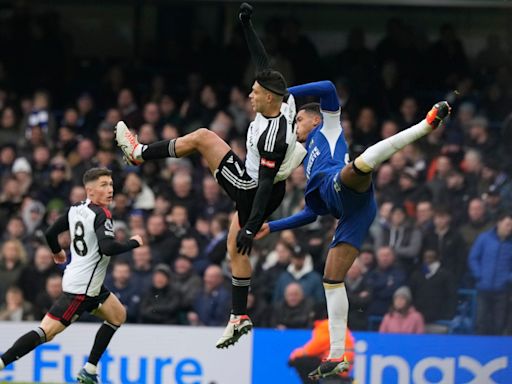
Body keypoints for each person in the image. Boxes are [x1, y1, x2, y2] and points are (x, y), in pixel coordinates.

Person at [115, 2, 306, 348]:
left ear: (269, 98)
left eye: (255, 93)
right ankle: (238, 316)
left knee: (203, 138)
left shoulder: (272, 137)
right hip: (263, 184)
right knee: (236, 251)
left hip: (252, 188)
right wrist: (247, 25)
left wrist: (251, 224)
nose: (250, 95)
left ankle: (139, 153)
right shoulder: (285, 99)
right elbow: (264, 62)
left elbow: (262, 185)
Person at [257, 79, 450, 378]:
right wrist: (272, 226)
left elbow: (329, 88)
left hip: (344, 187)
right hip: (352, 214)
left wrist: (285, 93)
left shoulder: (329, 127)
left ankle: (425, 126)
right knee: (331, 278)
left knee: (359, 166)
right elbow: (311, 213)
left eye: (299, 119)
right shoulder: (308, 159)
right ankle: (337, 356)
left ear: (316, 118)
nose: (296, 126)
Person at [0, 168, 143, 384]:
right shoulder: (102, 214)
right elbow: (108, 247)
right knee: (46, 333)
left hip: (88, 284)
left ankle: (90, 369)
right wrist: (134, 242)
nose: (110, 189)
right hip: (81, 290)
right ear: (90, 190)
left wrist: (57, 251)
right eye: (104, 185)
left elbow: (50, 233)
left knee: (117, 316)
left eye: (111, 184)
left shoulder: (75, 209)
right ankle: (2, 362)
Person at [468, 212, 512, 335]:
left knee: (499, 323)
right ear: (499, 223)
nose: (510, 228)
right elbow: (473, 257)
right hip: (483, 288)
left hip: (502, 290)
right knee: (481, 321)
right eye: (508, 224)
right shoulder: (484, 238)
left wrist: (508, 278)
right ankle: (479, 350)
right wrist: (479, 274)